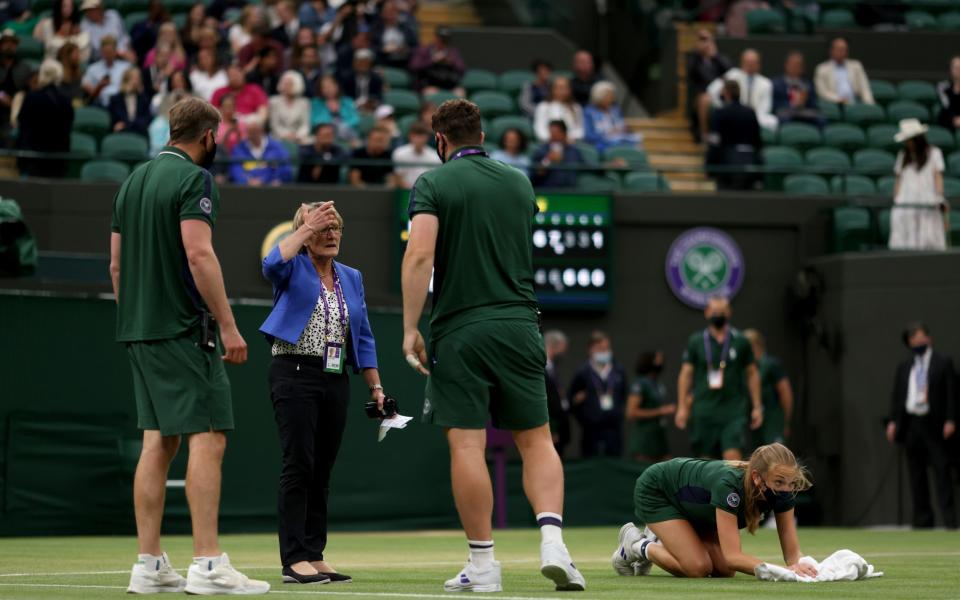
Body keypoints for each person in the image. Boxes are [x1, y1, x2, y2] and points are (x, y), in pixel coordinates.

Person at [401, 99, 586, 592]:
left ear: (440, 142)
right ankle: (555, 545)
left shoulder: (432, 183)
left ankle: (483, 567)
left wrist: (409, 328)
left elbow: (419, 256)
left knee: (467, 443)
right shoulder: (520, 183)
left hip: (462, 329)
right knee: (538, 439)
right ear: (481, 136)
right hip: (521, 325)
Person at [109, 96, 269, 595]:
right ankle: (207, 564)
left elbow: (116, 267)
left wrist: (137, 316)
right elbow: (199, 255)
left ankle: (149, 564)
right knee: (209, 435)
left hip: (137, 328)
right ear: (207, 137)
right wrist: (228, 325)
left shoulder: (131, 182)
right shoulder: (194, 180)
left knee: (158, 440)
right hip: (181, 329)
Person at [260, 202, 384, 583]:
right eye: (321, 229)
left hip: (334, 377)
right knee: (299, 463)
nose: (330, 235)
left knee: (322, 469)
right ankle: (293, 558)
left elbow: (362, 335)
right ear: (306, 235)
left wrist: (376, 386)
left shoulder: (351, 276)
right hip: (294, 371)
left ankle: (314, 552)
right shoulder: (291, 266)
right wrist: (303, 228)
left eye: (335, 229)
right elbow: (269, 265)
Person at [611, 443, 817, 580]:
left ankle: (662, 537)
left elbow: (792, 554)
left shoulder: (784, 492)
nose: (786, 489)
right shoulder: (730, 487)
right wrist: (780, 572)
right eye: (779, 482)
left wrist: (804, 567)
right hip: (658, 491)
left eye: (790, 483)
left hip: (696, 507)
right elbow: (733, 555)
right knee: (697, 567)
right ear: (756, 478)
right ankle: (638, 544)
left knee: (725, 572)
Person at [885, 322, 957, 529]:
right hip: (912, 425)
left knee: (942, 473)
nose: (917, 343)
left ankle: (950, 522)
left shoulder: (943, 363)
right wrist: (893, 422)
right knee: (916, 476)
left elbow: (952, 393)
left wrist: (950, 419)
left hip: (934, 424)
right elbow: (898, 396)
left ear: (928, 338)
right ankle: (923, 522)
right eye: (913, 341)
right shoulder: (906, 367)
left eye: (920, 339)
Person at [675, 296, 762, 460]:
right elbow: (686, 374)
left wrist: (757, 406)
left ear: (729, 313)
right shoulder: (696, 341)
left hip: (733, 410)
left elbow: (752, 373)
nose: (718, 315)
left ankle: (733, 487)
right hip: (704, 410)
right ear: (707, 313)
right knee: (705, 462)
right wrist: (682, 407)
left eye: (722, 311)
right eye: (714, 311)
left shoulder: (741, 341)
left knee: (732, 458)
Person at [889, 119, 947, 251]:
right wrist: (896, 198)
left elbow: (937, 176)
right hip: (906, 201)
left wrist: (939, 195)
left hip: (927, 200)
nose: (907, 142)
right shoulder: (903, 155)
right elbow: (899, 179)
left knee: (929, 237)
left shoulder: (934, 153)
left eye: (909, 139)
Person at [568, 331, 628, 458]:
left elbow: (623, 395)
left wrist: (618, 414)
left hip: (614, 429)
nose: (604, 352)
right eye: (600, 349)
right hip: (591, 430)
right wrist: (585, 418)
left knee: (614, 460)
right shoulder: (582, 373)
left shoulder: (619, 371)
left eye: (607, 348)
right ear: (590, 349)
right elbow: (572, 400)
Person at [16, 59, 72, 178]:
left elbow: (23, 125)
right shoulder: (66, 101)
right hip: (58, 161)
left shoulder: (31, 98)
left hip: (34, 159)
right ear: (59, 75)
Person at [705, 80, 763, 191]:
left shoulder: (720, 113)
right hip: (750, 163)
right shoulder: (750, 112)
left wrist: (709, 166)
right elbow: (758, 142)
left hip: (727, 166)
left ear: (726, 93)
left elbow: (714, 142)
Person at [743, 329, 792, 449]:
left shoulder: (771, 365)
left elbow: (786, 393)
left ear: (758, 346)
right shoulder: (743, 369)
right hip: (750, 423)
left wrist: (785, 421)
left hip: (772, 420)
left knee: (774, 455)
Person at [708, 49, 777, 132]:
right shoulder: (733, 75)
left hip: (757, 117)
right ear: (742, 62)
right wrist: (722, 106)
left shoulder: (766, 83)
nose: (750, 65)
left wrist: (750, 117)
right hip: (734, 114)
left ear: (759, 64)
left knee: (773, 121)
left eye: (753, 62)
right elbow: (712, 89)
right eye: (747, 62)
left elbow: (765, 107)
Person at [625, 351, 675, 464]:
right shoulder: (639, 384)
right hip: (644, 441)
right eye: (657, 361)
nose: (660, 364)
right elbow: (631, 413)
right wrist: (660, 411)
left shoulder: (657, 384)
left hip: (659, 438)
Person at [686, 29, 732, 143]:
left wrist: (715, 56)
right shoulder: (694, 59)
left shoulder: (719, 57)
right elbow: (694, 74)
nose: (705, 43)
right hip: (702, 94)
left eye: (707, 39)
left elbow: (729, 72)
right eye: (702, 39)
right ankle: (704, 135)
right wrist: (698, 53)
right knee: (705, 99)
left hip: (721, 93)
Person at [229, 118, 294, 186]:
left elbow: (286, 169)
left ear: (262, 130)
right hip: (247, 189)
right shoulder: (239, 149)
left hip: (271, 189)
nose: (253, 134)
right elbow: (235, 170)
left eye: (255, 130)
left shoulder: (277, 147)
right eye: (250, 131)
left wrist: (274, 179)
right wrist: (246, 181)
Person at [583, 80, 641, 154]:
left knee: (637, 145)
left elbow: (622, 125)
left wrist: (624, 129)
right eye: (609, 96)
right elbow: (589, 136)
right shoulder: (589, 112)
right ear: (600, 97)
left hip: (621, 140)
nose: (612, 99)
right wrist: (607, 134)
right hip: (602, 144)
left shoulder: (616, 110)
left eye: (612, 96)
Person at [814, 38, 874, 106]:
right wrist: (838, 99)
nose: (842, 52)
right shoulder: (822, 69)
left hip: (855, 102)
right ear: (831, 51)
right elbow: (822, 92)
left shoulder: (856, 66)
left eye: (844, 50)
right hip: (835, 103)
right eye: (839, 49)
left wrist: (869, 103)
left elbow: (864, 87)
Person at [772, 51, 823, 127]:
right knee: (783, 118)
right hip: (786, 112)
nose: (795, 67)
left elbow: (814, 105)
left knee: (820, 119)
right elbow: (775, 105)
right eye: (792, 64)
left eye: (798, 65)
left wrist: (804, 102)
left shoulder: (808, 84)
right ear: (786, 65)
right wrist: (792, 105)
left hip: (804, 113)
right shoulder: (776, 84)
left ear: (802, 68)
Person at [409, 26, 465, 96]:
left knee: (460, 93)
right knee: (431, 93)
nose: (442, 42)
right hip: (430, 84)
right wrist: (432, 60)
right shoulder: (424, 50)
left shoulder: (452, 52)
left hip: (449, 84)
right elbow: (414, 67)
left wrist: (451, 62)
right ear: (435, 37)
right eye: (440, 39)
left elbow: (462, 69)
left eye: (445, 40)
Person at [0, 30, 33, 145]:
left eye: (12, 43)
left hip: (18, 111)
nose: (9, 46)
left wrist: (15, 103)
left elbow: (30, 90)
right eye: (6, 43)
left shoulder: (25, 67)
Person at [34, 0, 92, 65]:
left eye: (70, 6)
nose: (68, 9)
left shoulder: (76, 24)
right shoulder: (48, 24)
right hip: (53, 61)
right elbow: (49, 46)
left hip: (74, 63)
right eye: (65, 6)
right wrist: (62, 35)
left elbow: (81, 44)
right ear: (58, 7)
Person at [530, 120, 584, 189]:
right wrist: (547, 160)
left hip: (570, 192)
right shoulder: (542, 151)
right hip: (548, 193)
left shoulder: (574, 151)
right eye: (552, 133)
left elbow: (587, 168)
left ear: (564, 134)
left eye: (557, 133)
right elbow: (533, 176)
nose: (554, 137)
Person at [81, 35, 131, 106]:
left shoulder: (126, 67)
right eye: (105, 52)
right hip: (100, 104)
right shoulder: (93, 69)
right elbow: (85, 86)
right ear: (101, 51)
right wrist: (99, 87)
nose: (108, 55)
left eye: (110, 52)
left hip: (121, 103)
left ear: (115, 51)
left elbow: (131, 87)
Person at [544, 329, 570, 458]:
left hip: (559, 426)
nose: (564, 353)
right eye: (563, 349)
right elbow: (546, 401)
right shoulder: (542, 367)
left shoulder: (552, 367)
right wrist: (552, 428)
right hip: (549, 428)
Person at [311, 74, 359, 144]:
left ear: (337, 86)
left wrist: (344, 125)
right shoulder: (316, 103)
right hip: (327, 132)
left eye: (330, 86)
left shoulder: (348, 101)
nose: (328, 89)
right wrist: (332, 126)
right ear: (320, 90)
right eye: (324, 87)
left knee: (343, 128)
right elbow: (315, 121)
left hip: (347, 131)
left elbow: (355, 119)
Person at [534, 77, 584, 143]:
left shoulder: (576, 107)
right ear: (552, 89)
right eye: (558, 87)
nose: (561, 91)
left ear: (570, 90)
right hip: (549, 143)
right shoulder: (543, 106)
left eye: (564, 88)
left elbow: (580, 129)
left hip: (570, 143)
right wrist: (552, 138)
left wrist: (569, 138)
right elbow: (540, 128)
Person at [392, 121, 441, 188]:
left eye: (421, 136)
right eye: (415, 135)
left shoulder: (435, 156)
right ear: (410, 136)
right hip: (405, 192)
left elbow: (434, 180)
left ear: (427, 137)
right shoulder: (399, 153)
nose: (418, 139)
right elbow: (398, 177)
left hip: (426, 193)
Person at [370, 0, 418, 69]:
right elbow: (371, 47)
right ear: (382, 13)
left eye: (394, 10)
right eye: (388, 11)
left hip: (403, 63)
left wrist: (406, 50)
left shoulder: (406, 29)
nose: (391, 14)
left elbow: (416, 47)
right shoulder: (376, 29)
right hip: (382, 62)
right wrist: (383, 49)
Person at [269, 70, 312, 145]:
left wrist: (298, 135)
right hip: (279, 137)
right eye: (284, 83)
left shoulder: (304, 103)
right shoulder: (273, 101)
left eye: (289, 84)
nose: (286, 86)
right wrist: (287, 135)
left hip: (299, 138)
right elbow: (275, 125)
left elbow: (305, 125)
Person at [108, 66, 152, 136]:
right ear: (126, 80)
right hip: (121, 133)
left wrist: (128, 125)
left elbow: (147, 119)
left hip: (139, 133)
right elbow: (113, 120)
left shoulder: (144, 99)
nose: (136, 81)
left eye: (138, 78)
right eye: (133, 78)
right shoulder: (115, 99)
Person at [936, 56, 960, 133]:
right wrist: (954, 119)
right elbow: (946, 105)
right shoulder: (943, 86)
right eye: (956, 67)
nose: (958, 70)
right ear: (951, 69)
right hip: (948, 121)